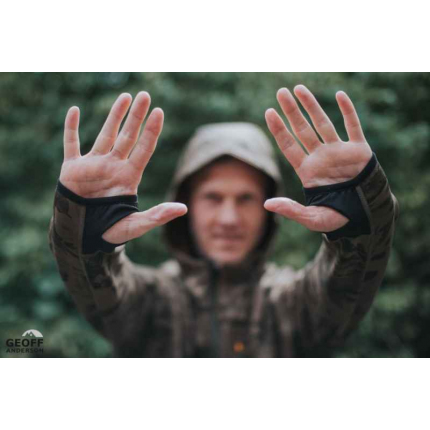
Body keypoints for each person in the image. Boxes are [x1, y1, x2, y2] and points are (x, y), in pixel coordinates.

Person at [48, 85, 398, 357]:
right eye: (213, 198)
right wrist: (85, 229)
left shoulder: (294, 304)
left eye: (246, 199)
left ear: (268, 208)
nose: (229, 219)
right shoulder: (149, 303)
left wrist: (358, 216)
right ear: (187, 201)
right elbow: (95, 286)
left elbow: (351, 278)